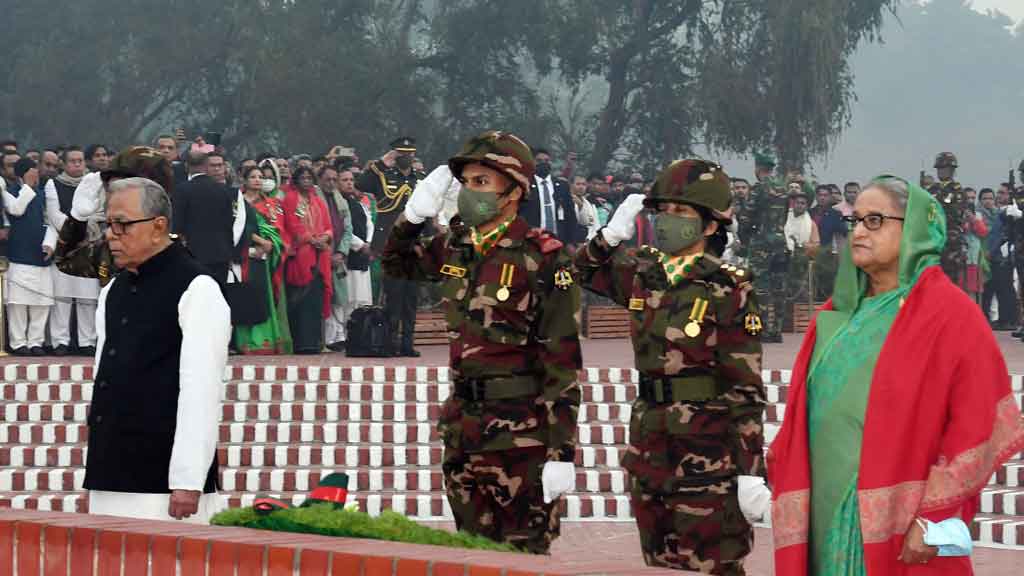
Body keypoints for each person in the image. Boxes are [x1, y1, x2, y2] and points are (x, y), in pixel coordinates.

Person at [769, 176, 1024, 575]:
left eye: (876, 221)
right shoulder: (835, 315)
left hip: (900, 524)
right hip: (821, 511)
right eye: (855, 222)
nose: (859, 232)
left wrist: (933, 517)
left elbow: (979, 426)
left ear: (916, 230)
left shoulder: (952, 316)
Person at [382, 130, 582, 554]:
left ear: (513, 191)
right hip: (465, 427)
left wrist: (562, 451)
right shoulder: (456, 245)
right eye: (466, 182)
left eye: (482, 183)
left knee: (522, 556)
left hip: (521, 436)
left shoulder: (543, 256)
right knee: (473, 555)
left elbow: (562, 359)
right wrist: (413, 217)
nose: (470, 192)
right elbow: (396, 263)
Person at [575, 159, 766, 574]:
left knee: (714, 561)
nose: (667, 221)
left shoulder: (728, 287)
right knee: (661, 561)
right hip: (650, 442)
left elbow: (745, 385)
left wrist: (752, 470)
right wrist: (606, 238)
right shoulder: (643, 273)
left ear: (710, 225)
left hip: (707, 451)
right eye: (663, 211)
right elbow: (578, 272)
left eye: (682, 213)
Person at [85, 177, 230, 524]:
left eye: (122, 225)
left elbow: (201, 389)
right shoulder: (114, 291)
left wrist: (188, 479)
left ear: (158, 226)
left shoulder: (196, 288)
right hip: (111, 471)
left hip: (164, 482)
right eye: (108, 224)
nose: (111, 234)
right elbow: (104, 378)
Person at [357, 136, 426, 356]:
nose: (406, 157)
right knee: (393, 296)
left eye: (409, 153)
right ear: (394, 155)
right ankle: (390, 342)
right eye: (401, 153)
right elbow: (360, 185)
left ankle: (407, 344)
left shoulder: (420, 179)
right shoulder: (382, 175)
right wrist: (381, 163)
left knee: (411, 297)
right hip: (390, 243)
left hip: (414, 244)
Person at [43, 146, 99, 356]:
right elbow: (53, 214)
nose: (77, 164)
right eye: (72, 161)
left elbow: (98, 210)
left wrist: (87, 229)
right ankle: (60, 341)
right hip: (65, 244)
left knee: (87, 297)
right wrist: (76, 229)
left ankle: (87, 341)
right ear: (64, 164)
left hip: (88, 244)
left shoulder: (93, 183)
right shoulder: (53, 184)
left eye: (80, 161)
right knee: (62, 297)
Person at [234, 166, 292, 355]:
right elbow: (234, 228)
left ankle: (263, 341)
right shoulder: (237, 202)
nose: (257, 180)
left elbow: (278, 231)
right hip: (241, 257)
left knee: (262, 296)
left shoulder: (271, 204)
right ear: (244, 179)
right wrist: (259, 240)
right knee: (243, 296)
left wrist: (270, 243)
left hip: (263, 260)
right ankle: (244, 342)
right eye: (253, 176)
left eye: (260, 177)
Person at [3, 158, 54, 356]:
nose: (36, 174)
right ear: (22, 174)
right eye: (32, 171)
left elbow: (51, 223)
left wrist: (50, 243)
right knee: (18, 304)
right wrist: (27, 187)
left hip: (40, 255)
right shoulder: (10, 194)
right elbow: (17, 209)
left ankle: (36, 342)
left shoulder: (43, 195)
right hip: (19, 255)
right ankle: (18, 343)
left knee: (41, 303)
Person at [282, 165, 333, 354]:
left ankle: (315, 342)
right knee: (300, 298)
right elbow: (292, 226)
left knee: (316, 299)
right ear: (296, 180)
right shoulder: (290, 199)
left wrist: (325, 238)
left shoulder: (318, 201)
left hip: (321, 255)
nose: (306, 180)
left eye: (309, 177)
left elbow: (328, 226)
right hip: (302, 255)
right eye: (302, 177)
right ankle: (302, 343)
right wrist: (311, 239)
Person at [741, 152, 789, 343]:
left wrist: (745, 239)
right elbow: (784, 216)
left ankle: (762, 329)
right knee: (779, 287)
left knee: (760, 287)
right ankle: (776, 330)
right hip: (780, 242)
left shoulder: (758, 188)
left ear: (758, 168)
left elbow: (745, 218)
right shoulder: (783, 189)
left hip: (761, 243)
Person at [172, 151, 236, 283]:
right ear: (206, 166)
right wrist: (230, 254)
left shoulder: (181, 190)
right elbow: (229, 224)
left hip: (192, 255)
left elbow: (177, 226)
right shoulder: (224, 190)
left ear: (186, 166)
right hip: (221, 254)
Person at [318, 165, 354, 351]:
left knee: (339, 298)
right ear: (320, 179)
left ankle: (338, 337)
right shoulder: (315, 199)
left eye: (334, 179)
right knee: (325, 296)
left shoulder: (341, 201)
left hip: (338, 257)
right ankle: (326, 339)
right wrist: (327, 252)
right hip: (320, 255)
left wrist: (341, 252)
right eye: (328, 179)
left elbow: (348, 230)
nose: (331, 183)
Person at [977, 188, 1022, 328]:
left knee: (1005, 288)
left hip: (1001, 255)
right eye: (985, 198)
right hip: (986, 255)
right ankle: (994, 318)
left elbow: (1003, 234)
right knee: (990, 289)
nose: (989, 200)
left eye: (991, 197)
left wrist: (993, 250)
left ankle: (1007, 320)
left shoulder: (1004, 213)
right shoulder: (980, 214)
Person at [521, 147, 580, 242]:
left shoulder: (562, 186)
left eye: (547, 160)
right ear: (532, 162)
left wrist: (571, 242)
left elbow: (570, 216)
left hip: (558, 240)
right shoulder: (524, 185)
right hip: (532, 240)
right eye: (539, 160)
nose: (543, 163)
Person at [341, 168, 375, 328]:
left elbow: (369, 224)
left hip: (363, 255)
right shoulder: (338, 203)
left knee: (363, 297)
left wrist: (368, 243)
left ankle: (362, 332)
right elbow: (342, 228)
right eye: (345, 180)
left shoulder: (358, 203)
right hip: (349, 255)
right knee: (349, 297)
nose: (349, 183)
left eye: (351, 180)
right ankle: (346, 333)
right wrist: (360, 245)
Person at [928, 152, 967, 286]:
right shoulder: (931, 190)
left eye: (945, 169)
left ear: (952, 170)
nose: (942, 172)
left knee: (951, 281)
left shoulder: (957, 191)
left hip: (951, 242)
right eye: (939, 169)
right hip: (933, 240)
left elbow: (956, 213)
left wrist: (939, 205)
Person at [786, 193, 821, 310]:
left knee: (802, 294)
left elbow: (816, 245)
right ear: (792, 204)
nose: (800, 206)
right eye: (797, 203)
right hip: (783, 261)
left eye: (803, 203)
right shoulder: (783, 218)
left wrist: (802, 245)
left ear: (807, 206)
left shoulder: (811, 224)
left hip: (802, 264)